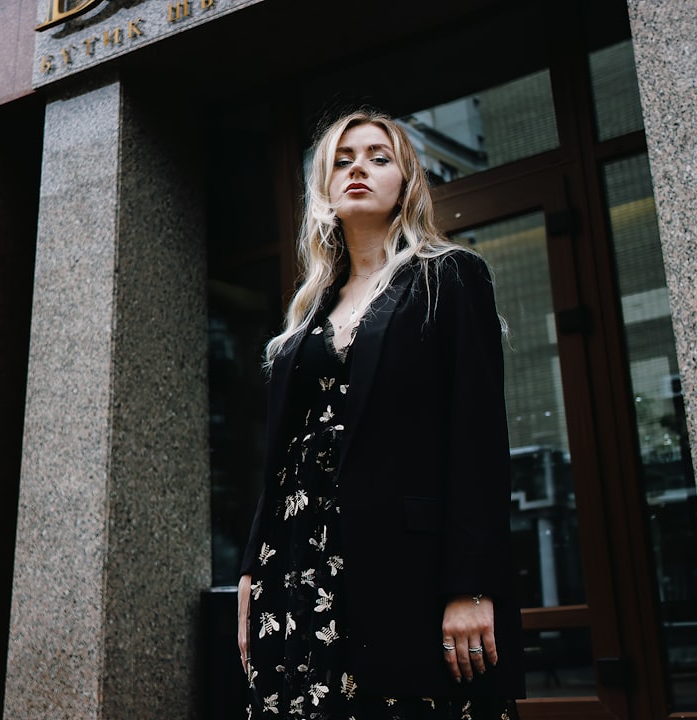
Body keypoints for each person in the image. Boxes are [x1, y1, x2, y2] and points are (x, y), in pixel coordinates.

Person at [238, 109, 523, 719]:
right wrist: (249, 574)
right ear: (324, 187)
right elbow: (285, 455)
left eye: (377, 156)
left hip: (405, 563)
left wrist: (471, 583)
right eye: (342, 160)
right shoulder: (310, 309)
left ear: (407, 182)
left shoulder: (448, 277)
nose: (358, 169)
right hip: (294, 561)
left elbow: (476, 441)